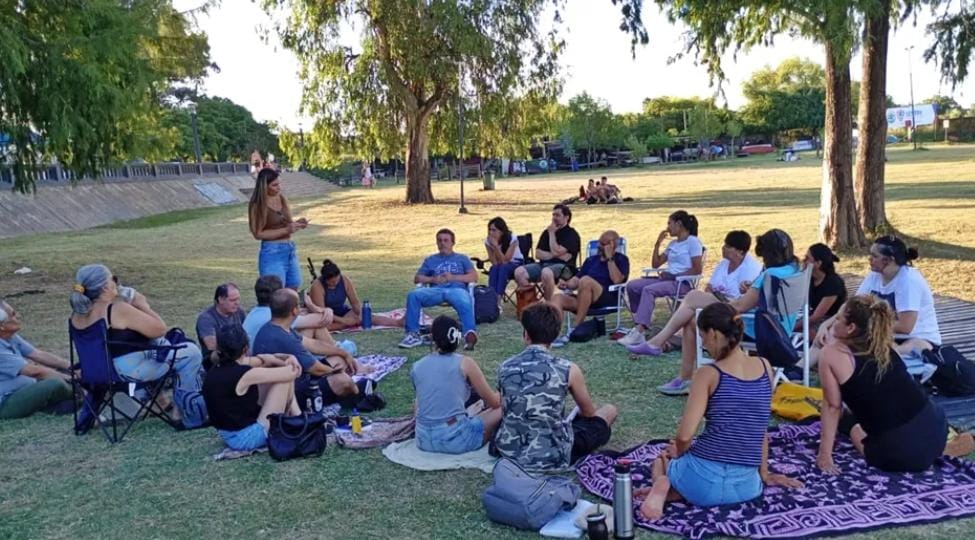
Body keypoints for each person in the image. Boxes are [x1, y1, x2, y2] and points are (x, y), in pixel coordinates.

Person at [638, 303, 802, 520]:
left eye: (702, 337)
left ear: (713, 334)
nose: (704, 345)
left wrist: (678, 452)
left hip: (701, 481)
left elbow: (685, 436)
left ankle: (663, 483)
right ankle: (678, 492)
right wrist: (764, 474)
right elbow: (760, 430)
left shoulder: (707, 374)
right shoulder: (765, 367)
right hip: (747, 487)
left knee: (662, 460)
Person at [628, 229, 802, 396]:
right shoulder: (795, 269)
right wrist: (751, 289)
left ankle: (668, 356)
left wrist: (718, 306)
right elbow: (768, 299)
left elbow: (740, 306)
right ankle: (681, 373)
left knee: (693, 299)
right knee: (692, 318)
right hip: (780, 329)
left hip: (757, 330)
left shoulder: (770, 274)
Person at [817, 296, 974, 474]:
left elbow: (832, 406)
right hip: (936, 427)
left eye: (838, 319)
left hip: (898, 453)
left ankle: (922, 454)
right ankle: (938, 450)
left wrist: (824, 455)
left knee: (850, 422)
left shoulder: (831, 354)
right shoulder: (884, 346)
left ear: (851, 328)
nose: (833, 323)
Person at [68, 264, 207, 428]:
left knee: (159, 349)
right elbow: (159, 330)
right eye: (113, 279)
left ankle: (162, 402)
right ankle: (190, 416)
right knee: (190, 353)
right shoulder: (116, 310)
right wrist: (143, 304)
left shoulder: (76, 316)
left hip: (96, 374)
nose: (116, 283)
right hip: (126, 373)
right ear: (105, 287)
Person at [494, 302, 618, 472]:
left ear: (526, 334)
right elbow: (589, 413)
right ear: (556, 334)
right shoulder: (568, 369)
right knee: (609, 411)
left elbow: (509, 407)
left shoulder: (505, 366)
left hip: (509, 451)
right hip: (554, 454)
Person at [252, 289, 366, 407]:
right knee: (342, 380)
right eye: (299, 305)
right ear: (294, 311)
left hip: (294, 378)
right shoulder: (284, 338)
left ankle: (350, 389)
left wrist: (343, 353)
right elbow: (316, 369)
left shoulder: (276, 327)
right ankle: (358, 394)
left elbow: (313, 344)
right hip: (286, 393)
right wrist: (336, 372)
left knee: (338, 359)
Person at [202, 325, 302, 451]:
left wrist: (288, 357)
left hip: (230, 435)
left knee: (275, 374)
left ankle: (297, 420)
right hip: (246, 438)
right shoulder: (243, 374)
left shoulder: (216, 368)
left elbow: (265, 360)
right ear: (246, 348)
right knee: (284, 381)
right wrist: (292, 361)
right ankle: (299, 421)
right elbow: (292, 373)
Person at [411, 315, 502, 454]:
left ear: (433, 337)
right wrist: (504, 394)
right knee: (505, 406)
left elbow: (420, 403)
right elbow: (494, 402)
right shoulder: (465, 363)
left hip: (423, 439)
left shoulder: (417, 366)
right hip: (455, 439)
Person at [619, 210, 703, 346]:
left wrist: (674, 276)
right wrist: (658, 243)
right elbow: (656, 264)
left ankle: (639, 331)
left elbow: (697, 269)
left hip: (682, 283)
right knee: (632, 286)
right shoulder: (673, 244)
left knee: (649, 290)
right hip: (666, 280)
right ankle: (641, 319)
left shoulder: (693, 242)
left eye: (669, 223)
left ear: (679, 224)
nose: (667, 227)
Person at [853, 235, 940, 356]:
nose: (869, 259)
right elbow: (853, 305)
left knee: (891, 351)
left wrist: (868, 325)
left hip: (916, 339)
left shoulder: (908, 280)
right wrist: (830, 324)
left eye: (874, 256)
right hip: (884, 335)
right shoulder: (874, 275)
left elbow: (905, 327)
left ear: (889, 260)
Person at [399, 229, 479, 350]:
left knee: (465, 299)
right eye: (439, 240)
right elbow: (417, 278)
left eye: (446, 240)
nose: (442, 243)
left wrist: (453, 277)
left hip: (456, 290)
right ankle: (413, 334)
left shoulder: (462, 258)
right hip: (436, 291)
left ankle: (469, 335)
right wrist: (433, 279)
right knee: (413, 295)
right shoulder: (430, 260)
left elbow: (473, 277)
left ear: (453, 242)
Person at [551, 230, 630, 345]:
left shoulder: (621, 259)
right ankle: (553, 335)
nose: (599, 246)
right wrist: (567, 284)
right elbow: (577, 279)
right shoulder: (591, 260)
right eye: (599, 242)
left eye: (603, 244)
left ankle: (574, 329)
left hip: (607, 298)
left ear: (612, 245)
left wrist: (610, 258)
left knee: (586, 281)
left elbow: (617, 280)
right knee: (557, 298)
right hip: (584, 299)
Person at [0, 301, 73, 419]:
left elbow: (37, 354)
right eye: (13, 315)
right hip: (5, 402)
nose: (18, 316)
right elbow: (35, 372)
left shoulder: (9, 336)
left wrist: (72, 367)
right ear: (2, 326)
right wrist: (73, 378)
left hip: (22, 388)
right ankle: (81, 392)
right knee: (55, 383)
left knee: (59, 372)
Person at [248, 168, 308, 290]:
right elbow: (258, 233)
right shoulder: (257, 204)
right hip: (272, 251)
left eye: (279, 183)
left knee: (294, 285)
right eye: (274, 185)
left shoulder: (281, 198)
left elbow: (286, 223)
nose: (279, 187)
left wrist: (297, 224)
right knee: (276, 291)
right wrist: (286, 230)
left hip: (289, 248)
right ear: (264, 186)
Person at [243, 275, 338, 350]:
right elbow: (322, 320)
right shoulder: (275, 315)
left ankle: (336, 350)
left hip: (257, 357)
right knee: (313, 327)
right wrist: (314, 306)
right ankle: (337, 351)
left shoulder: (254, 313)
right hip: (271, 360)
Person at [512, 204, 582, 301]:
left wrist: (552, 234)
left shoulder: (572, 234)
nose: (554, 218)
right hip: (543, 264)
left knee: (546, 272)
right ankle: (531, 303)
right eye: (553, 215)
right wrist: (557, 255)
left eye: (557, 215)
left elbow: (556, 251)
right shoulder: (546, 232)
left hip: (565, 268)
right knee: (519, 272)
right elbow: (538, 254)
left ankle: (549, 305)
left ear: (566, 217)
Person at [308, 260, 402, 330]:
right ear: (325, 280)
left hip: (342, 312)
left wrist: (360, 314)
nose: (335, 283)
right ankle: (344, 324)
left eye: (337, 280)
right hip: (325, 316)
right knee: (323, 327)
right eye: (332, 282)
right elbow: (321, 312)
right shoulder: (317, 286)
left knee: (367, 316)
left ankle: (398, 322)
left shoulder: (344, 280)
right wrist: (344, 321)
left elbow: (355, 303)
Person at [703, 230, 762, 303]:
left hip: (733, 305)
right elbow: (709, 286)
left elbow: (744, 299)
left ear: (740, 251)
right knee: (694, 295)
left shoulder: (751, 268)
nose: (723, 248)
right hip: (715, 302)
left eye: (728, 246)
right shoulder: (724, 263)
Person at [196, 282, 246, 368]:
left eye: (238, 299)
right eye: (232, 300)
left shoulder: (239, 312)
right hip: (215, 363)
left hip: (239, 357)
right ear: (221, 299)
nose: (237, 303)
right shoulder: (206, 319)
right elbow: (212, 347)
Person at [803, 243, 847, 338]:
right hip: (813, 315)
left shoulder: (833, 284)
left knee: (810, 333)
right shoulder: (810, 278)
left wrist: (791, 327)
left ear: (818, 263)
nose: (803, 261)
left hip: (832, 319)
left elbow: (817, 317)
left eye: (807, 259)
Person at [481, 217, 524, 298]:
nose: (490, 232)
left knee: (503, 268)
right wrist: (493, 247)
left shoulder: (512, 239)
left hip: (516, 263)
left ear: (502, 232)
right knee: (494, 268)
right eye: (489, 230)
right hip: (501, 265)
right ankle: (492, 296)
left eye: (494, 230)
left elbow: (505, 261)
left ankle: (498, 297)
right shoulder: (488, 242)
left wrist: (496, 247)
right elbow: (494, 262)